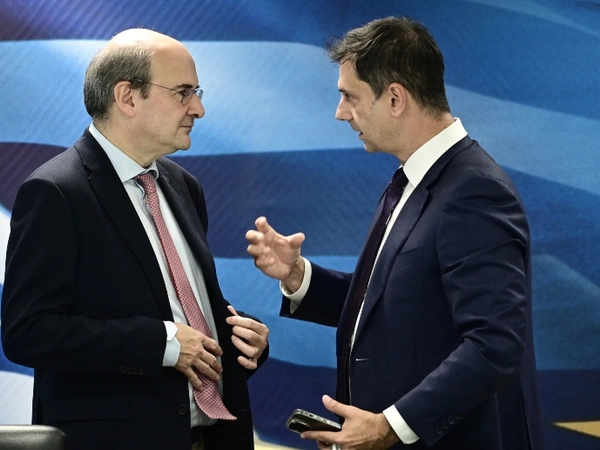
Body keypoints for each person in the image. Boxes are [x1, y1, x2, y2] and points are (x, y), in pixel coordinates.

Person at [246, 16, 545, 450]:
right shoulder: (413, 181)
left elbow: (495, 344)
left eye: (350, 96)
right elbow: (397, 305)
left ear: (395, 98)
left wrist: (389, 426)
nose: (340, 112)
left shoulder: (475, 191)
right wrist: (298, 277)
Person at [1, 28, 269, 450]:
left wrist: (238, 335)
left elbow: (173, 301)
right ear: (127, 97)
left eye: (196, 92)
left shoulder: (183, 185)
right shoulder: (56, 192)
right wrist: (160, 343)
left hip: (214, 436)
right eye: (183, 92)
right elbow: (29, 331)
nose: (198, 108)